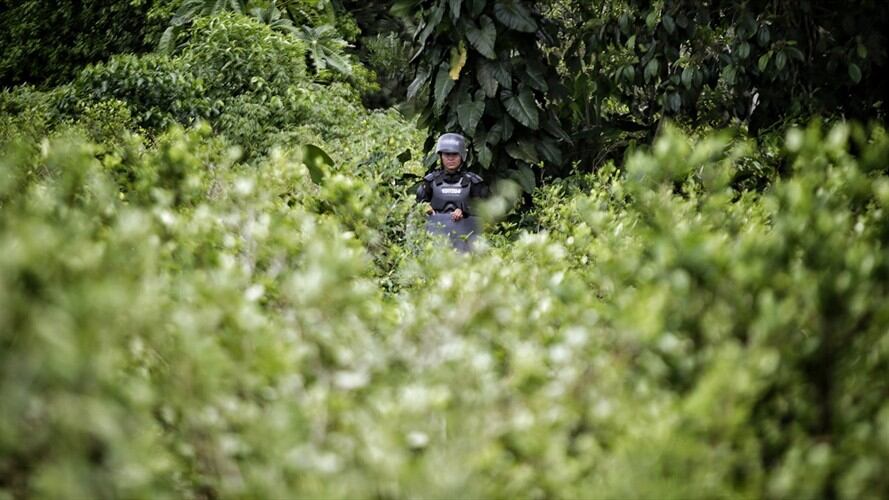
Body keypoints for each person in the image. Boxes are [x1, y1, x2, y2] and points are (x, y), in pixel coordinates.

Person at [416, 133, 488, 220]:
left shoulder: (473, 182)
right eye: (447, 154)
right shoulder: (430, 181)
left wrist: (465, 212)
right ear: (441, 156)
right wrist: (425, 208)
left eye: (454, 154)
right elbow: (417, 208)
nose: (450, 158)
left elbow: (484, 211)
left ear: (462, 156)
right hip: (435, 231)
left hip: (466, 232)